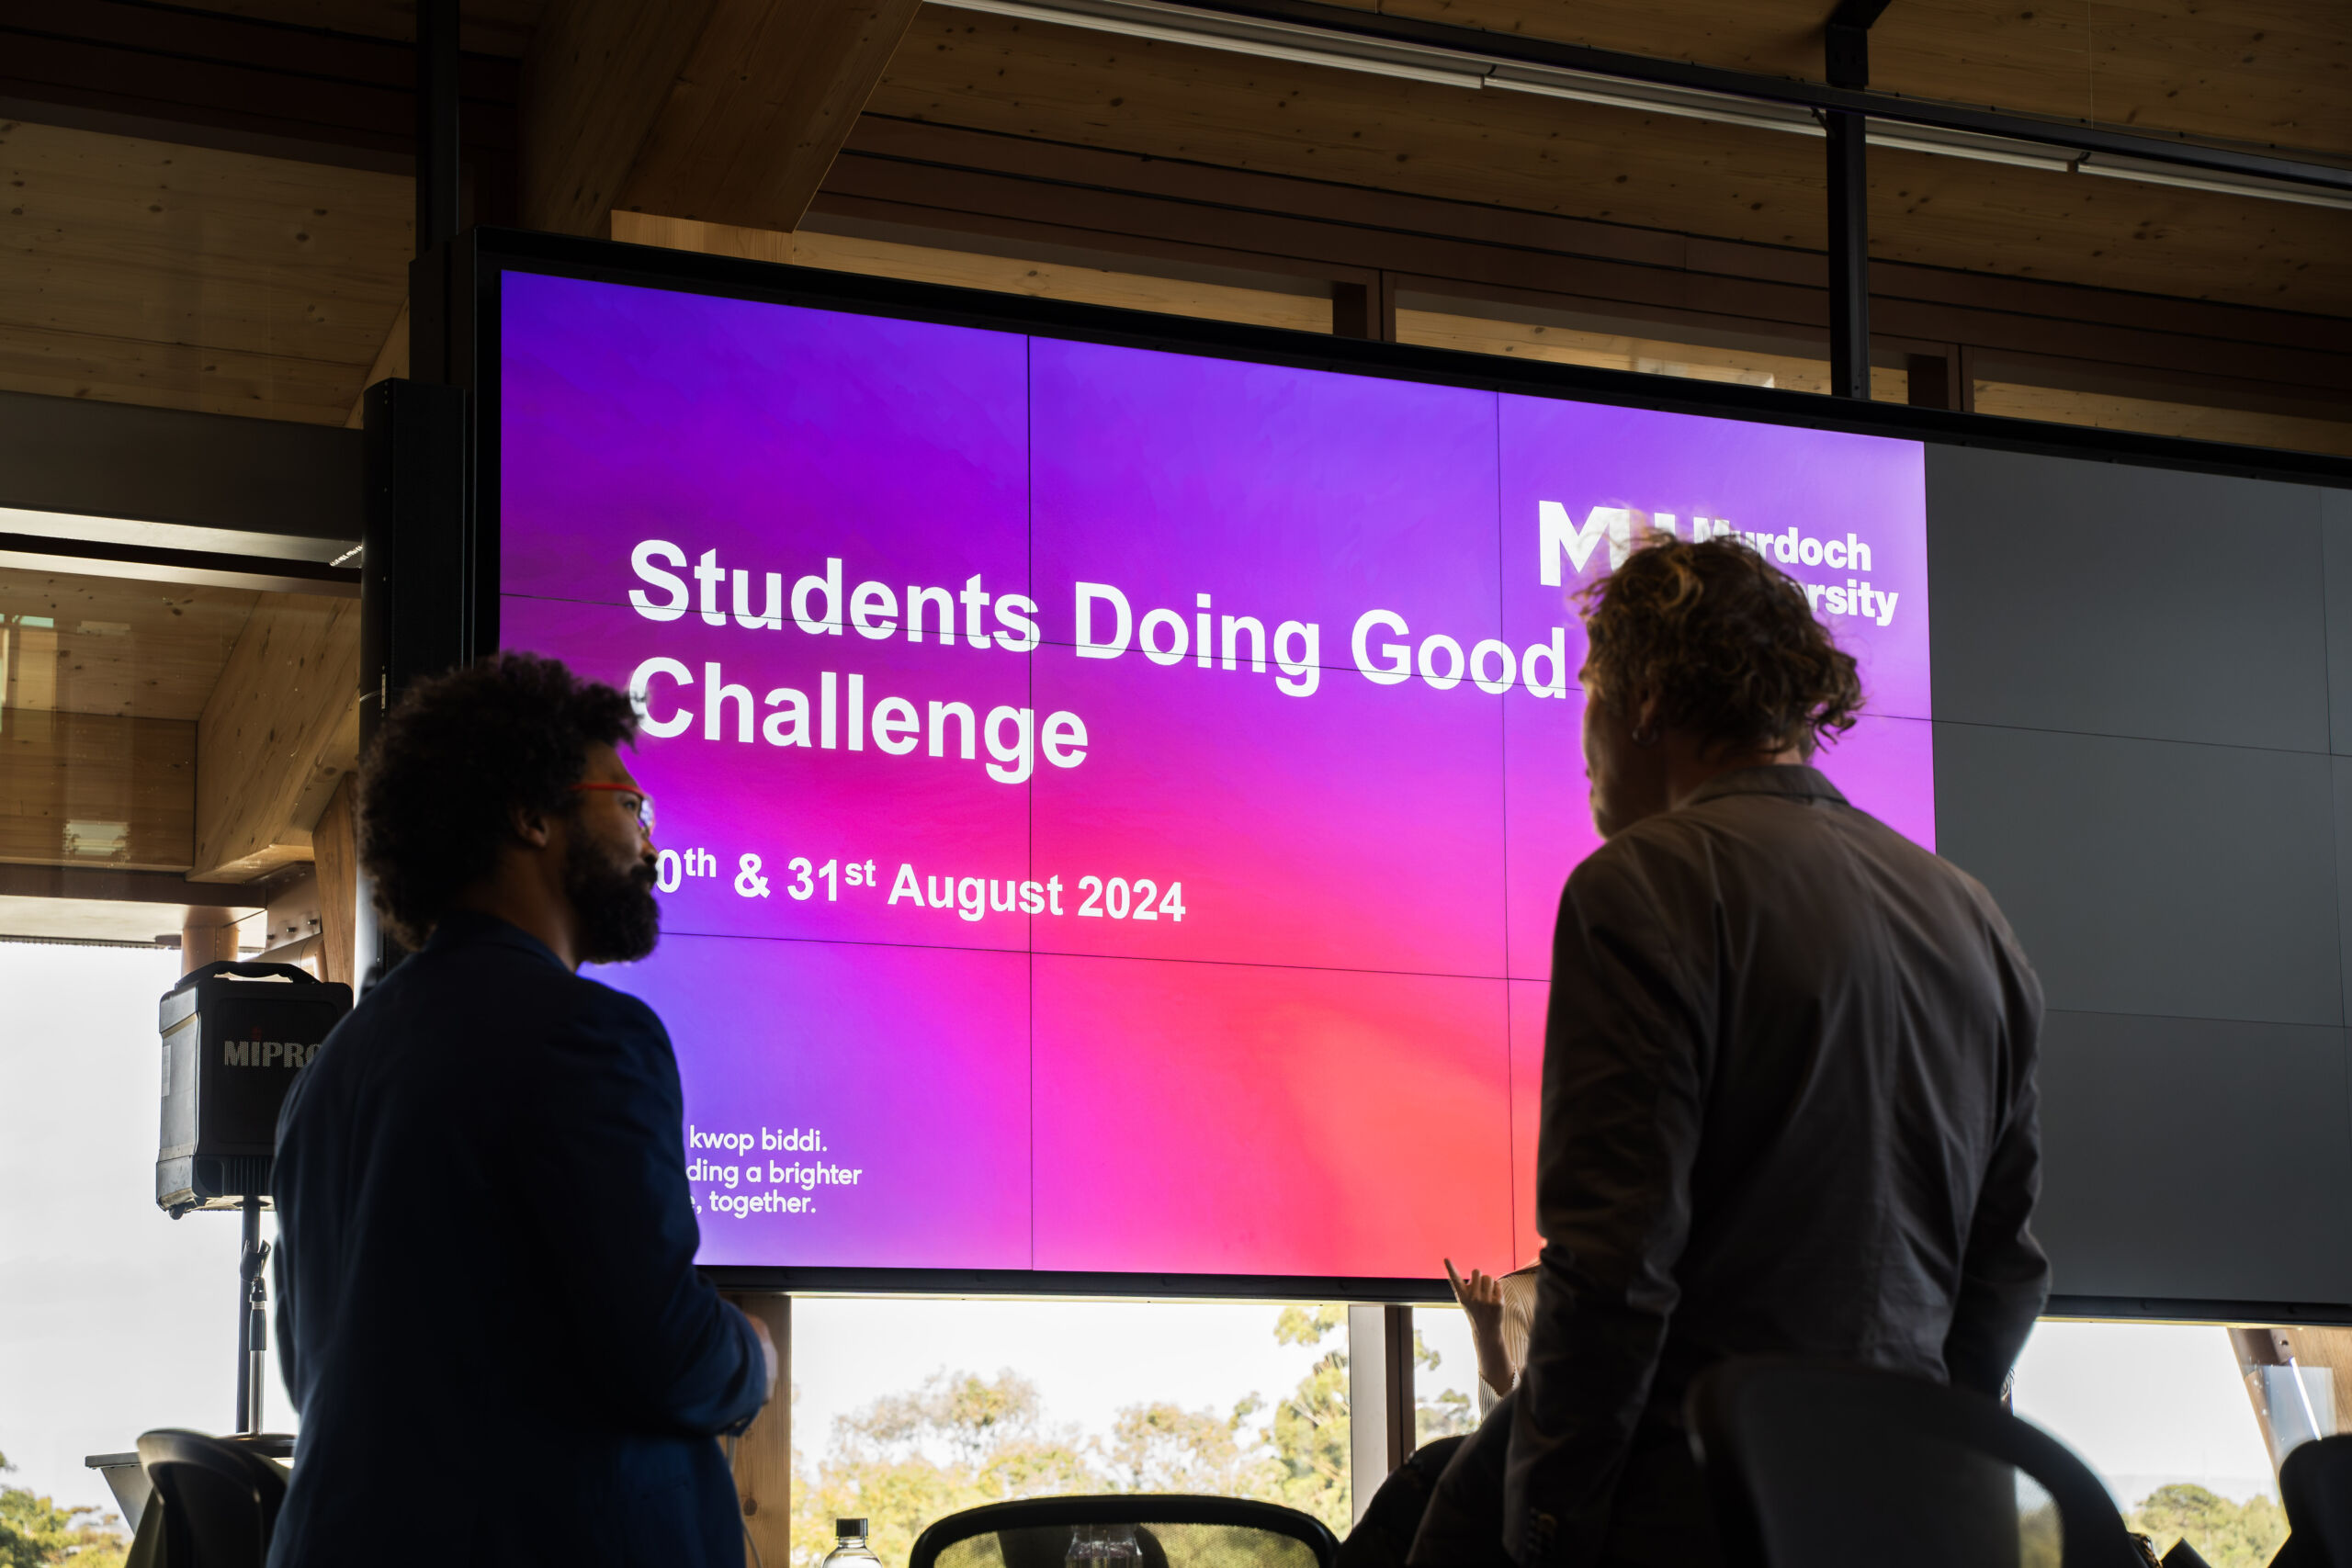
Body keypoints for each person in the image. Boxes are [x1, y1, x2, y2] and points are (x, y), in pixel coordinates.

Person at [1408, 536, 2048, 1568]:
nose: (1583, 743)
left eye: (1589, 695)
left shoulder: (1638, 884)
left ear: (1645, 695)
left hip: (1693, 1512)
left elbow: (1616, 1269)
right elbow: (2003, 1273)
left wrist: (1546, 1529)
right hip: (1908, 1516)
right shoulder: (1971, 916)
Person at [268, 653, 777, 1568]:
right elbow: (656, 1347)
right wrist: (750, 1356)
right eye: (628, 805)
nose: (650, 843)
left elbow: (316, 1366)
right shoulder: (585, 1034)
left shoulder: (333, 1066)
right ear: (531, 816)